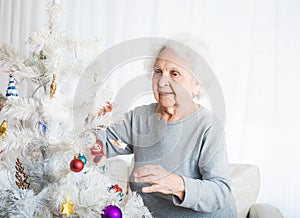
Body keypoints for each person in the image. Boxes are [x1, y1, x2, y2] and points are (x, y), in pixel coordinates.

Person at [92, 40, 237, 217]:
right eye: (158, 71)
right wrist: (95, 121)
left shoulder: (208, 126)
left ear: (197, 84)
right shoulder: (139, 118)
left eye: (174, 74)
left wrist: (176, 184)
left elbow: (220, 192)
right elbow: (97, 146)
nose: (162, 82)